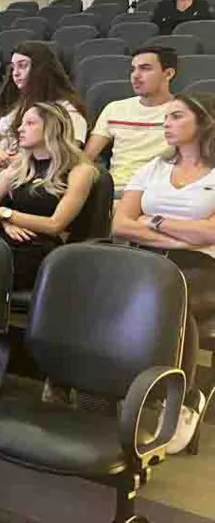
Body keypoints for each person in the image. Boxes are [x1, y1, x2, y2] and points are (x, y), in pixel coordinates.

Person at [112, 92, 215, 454]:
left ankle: (184, 401)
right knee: (102, 290)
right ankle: (97, 387)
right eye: (166, 117)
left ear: (202, 122)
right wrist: (188, 230)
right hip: (146, 259)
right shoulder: (152, 167)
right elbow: (121, 224)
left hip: (203, 266)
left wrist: (154, 220)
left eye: (176, 117)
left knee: (172, 300)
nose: (166, 124)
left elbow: (213, 234)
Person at [0, 102, 96, 290]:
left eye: (30, 123)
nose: (20, 128)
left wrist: (9, 214)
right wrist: (3, 220)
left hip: (41, 250)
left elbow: (55, 225)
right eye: (21, 123)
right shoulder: (19, 167)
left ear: (51, 128)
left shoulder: (80, 171)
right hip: (4, 240)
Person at [0, 41, 87, 170]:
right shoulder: (3, 99)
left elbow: (70, 151)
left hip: (36, 173)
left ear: (40, 69)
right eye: (13, 67)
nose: (15, 73)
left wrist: (15, 160)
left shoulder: (66, 107)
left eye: (22, 66)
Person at [85, 46, 176, 192]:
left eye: (145, 68)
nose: (135, 76)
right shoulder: (115, 109)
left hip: (160, 192)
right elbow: (87, 157)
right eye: (133, 69)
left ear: (168, 73)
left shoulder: (184, 111)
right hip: (116, 190)